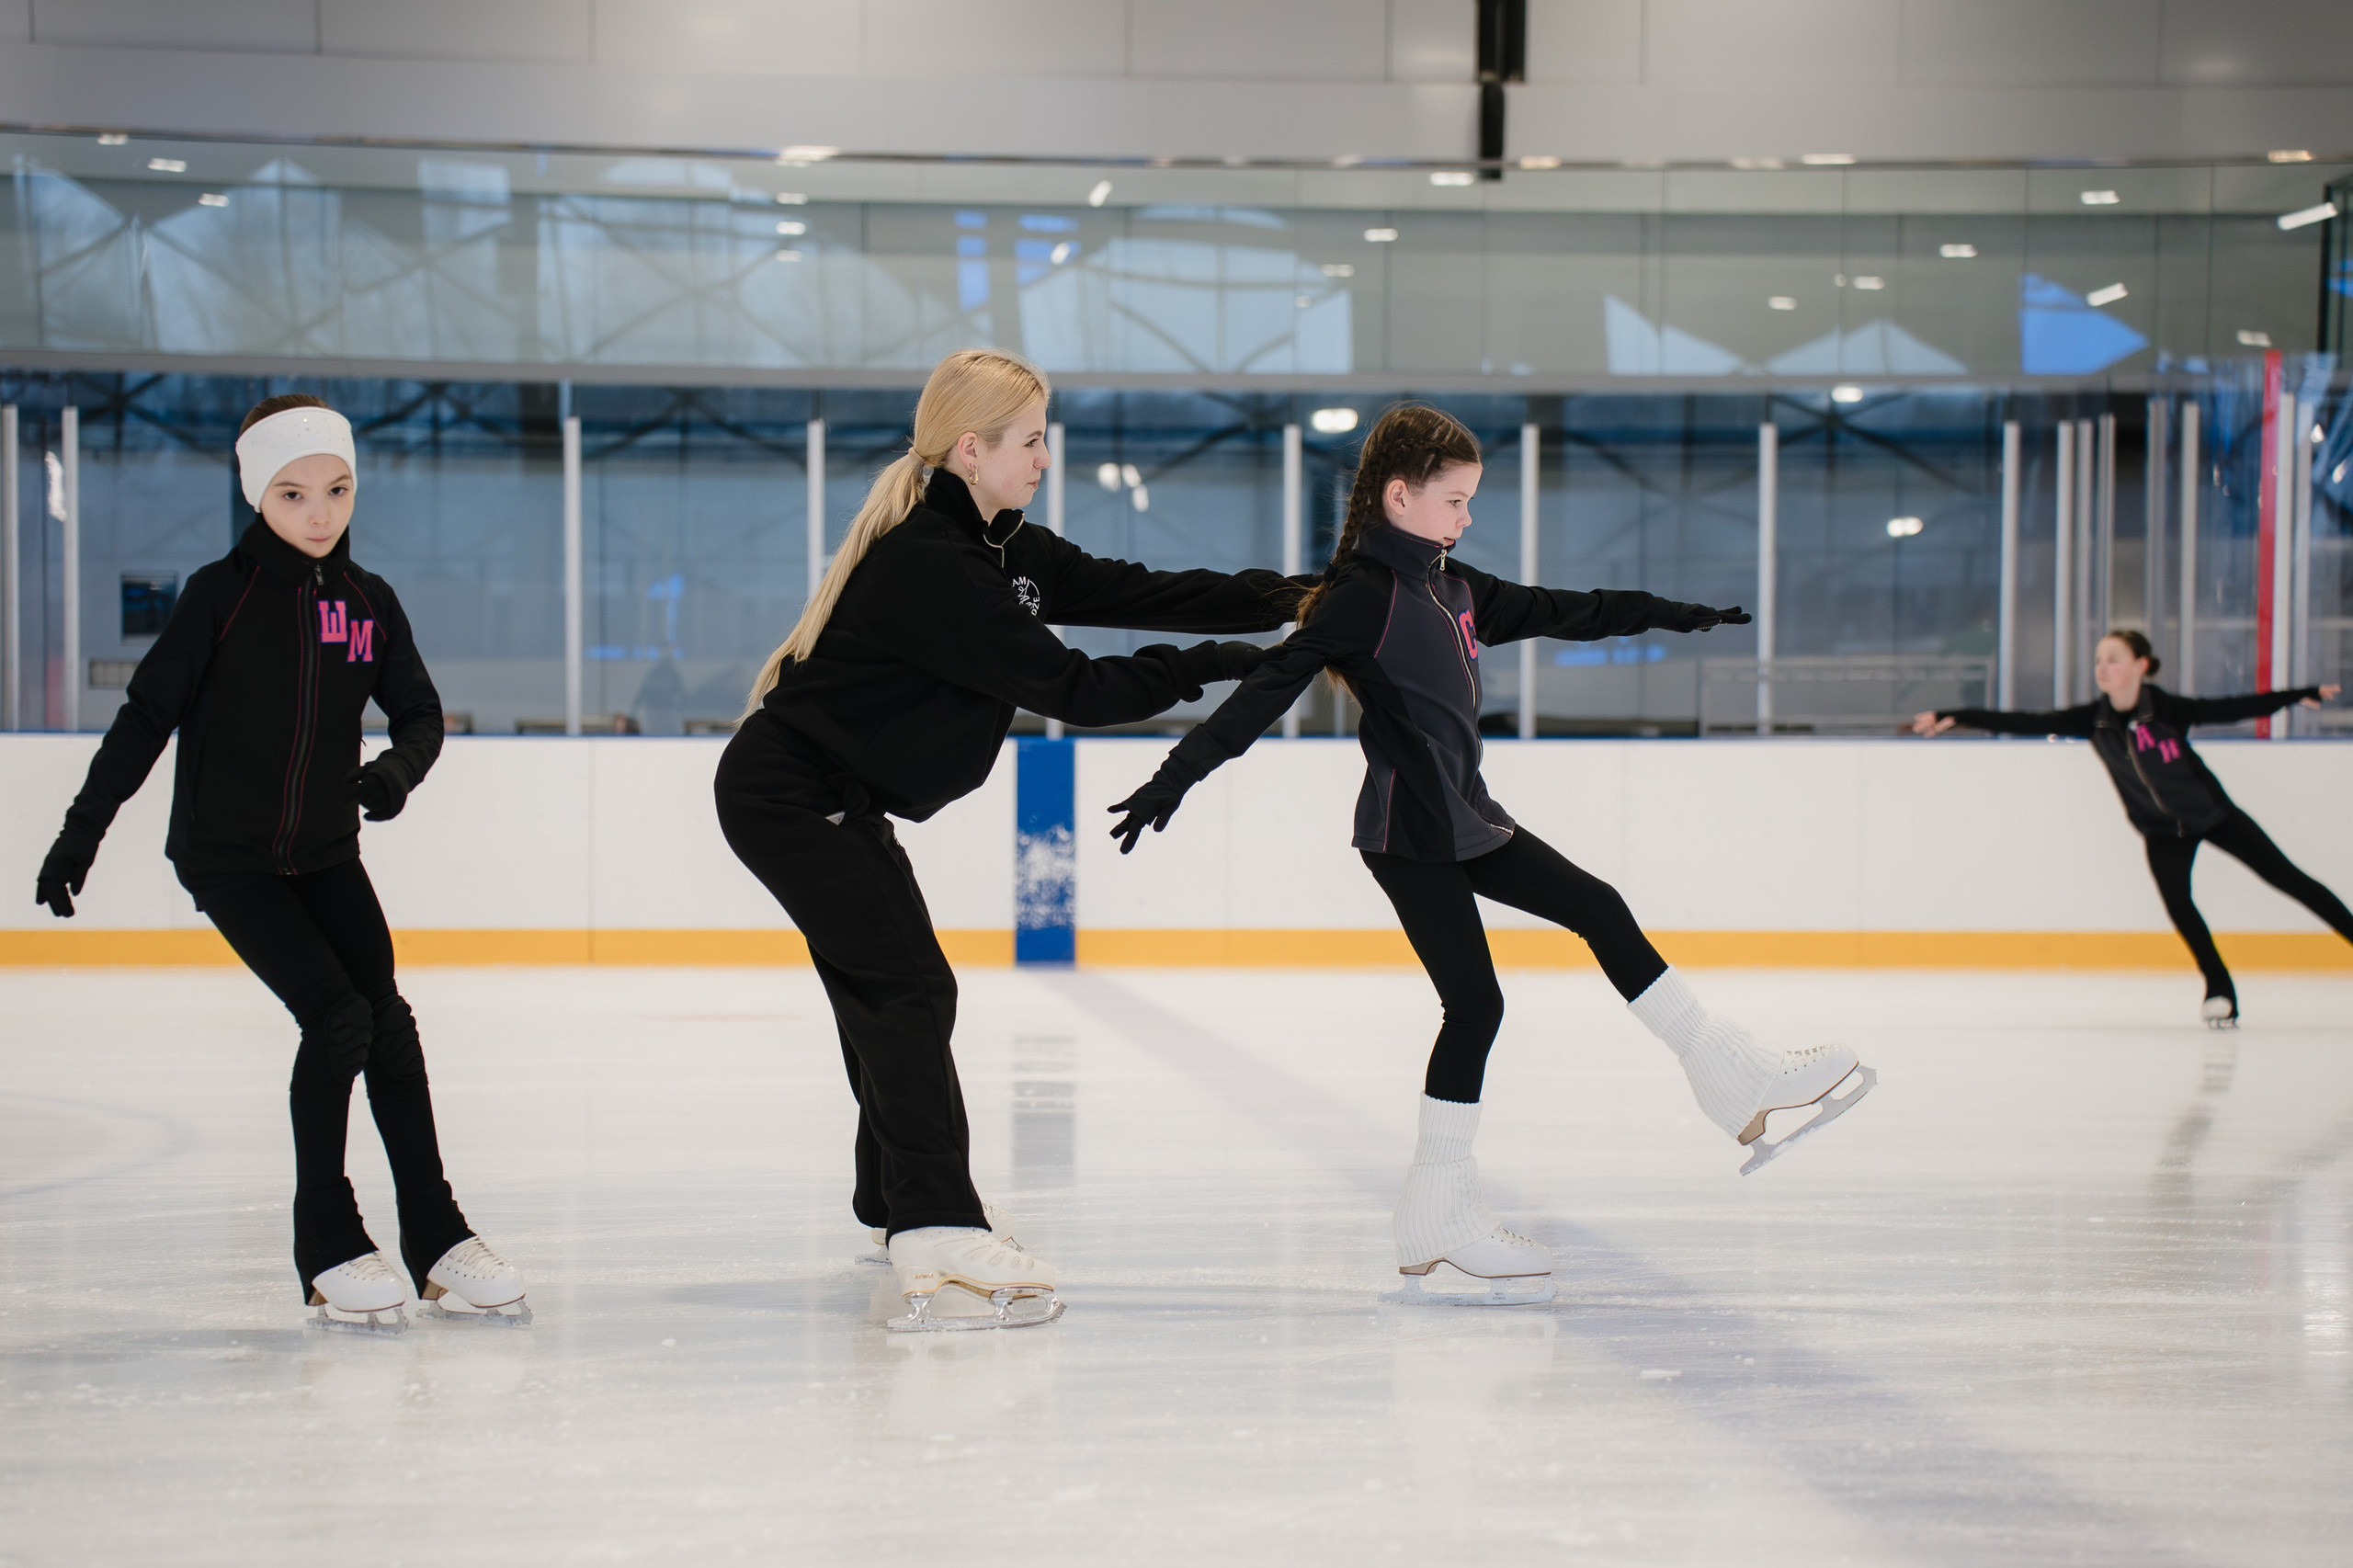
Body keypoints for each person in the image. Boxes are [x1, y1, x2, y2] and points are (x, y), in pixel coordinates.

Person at [1107, 403, 1876, 1305]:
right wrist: (1176, 773)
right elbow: (1267, 689)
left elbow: (1568, 610)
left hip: (1466, 818)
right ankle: (1439, 1214)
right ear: (1399, 496)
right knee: (1475, 1004)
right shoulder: (1363, 597)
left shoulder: (1452, 585)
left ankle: (1729, 1075)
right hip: (1409, 835)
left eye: (1471, 501)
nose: (1466, 516)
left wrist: (1676, 613)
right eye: (1454, 500)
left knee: (1597, 906)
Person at [716, 347, 1302, 1332]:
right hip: (789, 795)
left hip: (827, 798)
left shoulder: (1004, 549)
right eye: (1029, 440)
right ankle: (935, 1223)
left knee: (894, 987)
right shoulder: (929, 564)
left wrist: (1296, 598)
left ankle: (895, 1199)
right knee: (906, 986)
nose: (1042, 458)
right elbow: (1075, 687)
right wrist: (1216, 664)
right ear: (970, 448)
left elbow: (1135, 591)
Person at [34, 393, 526, 1333]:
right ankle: (327, 1240)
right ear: (259, 494)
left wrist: (394, 772)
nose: (319, 512)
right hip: (230, 860)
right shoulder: (220, 598)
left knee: (387, 1018)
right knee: (337, 1015)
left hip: (324, 852)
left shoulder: (367, 603)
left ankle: (435, 1231)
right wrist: (81, 831)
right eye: (294, 492)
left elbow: (420, 713)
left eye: (337, 489)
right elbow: (145, 718)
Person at [1915, 629, 2345, 1026]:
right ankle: (2220, 989)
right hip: (2161, 832)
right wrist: (1957, 714)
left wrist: (2298, 695)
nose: (2103, 667)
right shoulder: (2092, 720)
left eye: (2114, 659)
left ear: (2141, 665)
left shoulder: (2168, 710)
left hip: (2214, 816)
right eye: (2099, 660)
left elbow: (2232, 708)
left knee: (2291, 881)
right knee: (2180, 906)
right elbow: (2026, 722)